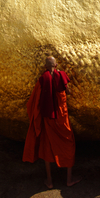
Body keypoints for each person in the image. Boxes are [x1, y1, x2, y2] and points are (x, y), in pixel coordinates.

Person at [23, 56, 81, 188]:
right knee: (68, 146)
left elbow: (34, 102)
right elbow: (68, 92)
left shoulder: (43, 79)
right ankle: (69, 179)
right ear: (56, 65)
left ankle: (49, 181)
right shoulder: (61, 76)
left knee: (47, 148)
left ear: (45, 67)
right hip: (61, 119)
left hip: (48, 119)